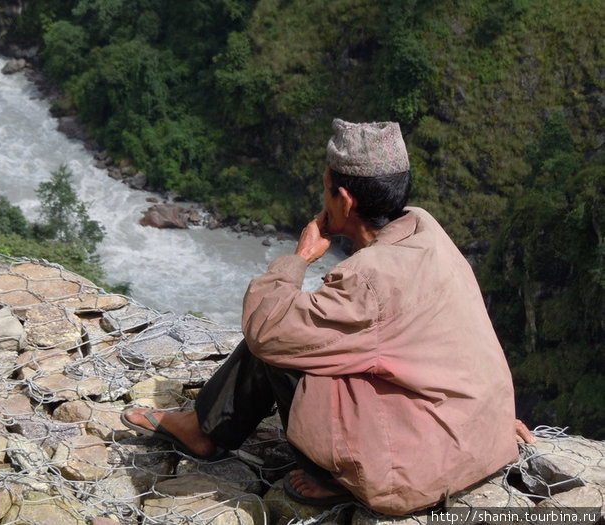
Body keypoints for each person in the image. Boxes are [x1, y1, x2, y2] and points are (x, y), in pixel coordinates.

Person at [121, 119, 535, 515]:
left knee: (280, 336)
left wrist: (300, 257)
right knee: (299, 328)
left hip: (411, 474)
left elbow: (267, 330)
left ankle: (329, 475)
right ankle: (205, 426)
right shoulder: (426, 230)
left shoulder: (369, 277)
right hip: (480, 433)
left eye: (326, 191)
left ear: (346, 200)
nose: (323, 201)